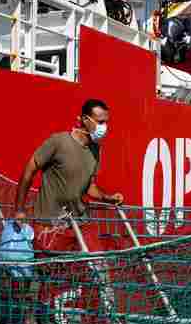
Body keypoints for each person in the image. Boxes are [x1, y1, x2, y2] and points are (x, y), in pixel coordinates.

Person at [13, 98, 124, 252]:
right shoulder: (58, 142)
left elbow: (89, 187)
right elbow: (28, 172)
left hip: (79, 223)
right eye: (100, 122)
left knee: (97, 267)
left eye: (106, 122)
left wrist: (108, 198)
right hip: (49, 225)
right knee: (50, 271)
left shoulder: (96, 150)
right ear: (85, 119)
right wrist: (19, 209)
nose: (104, 127)